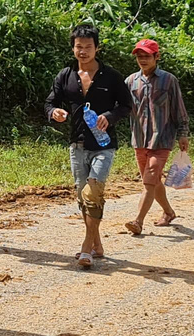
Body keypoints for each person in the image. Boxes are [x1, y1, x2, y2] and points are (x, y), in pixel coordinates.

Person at [45, 24, 134, 268]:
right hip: (77, 143)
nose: (83, 51)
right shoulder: (65, 75)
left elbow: (127, 105)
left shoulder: (111, 76)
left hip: (104, 145)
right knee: (82, 196)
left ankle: (86, 247)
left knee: (93, 192)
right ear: (73, 47)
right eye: (78, 47)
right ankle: (97, 243)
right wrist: (55, 113)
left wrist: (110, 116)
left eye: (88, 47)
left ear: (97, 48)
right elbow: (50, 102)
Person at [123, 37, 191, 236]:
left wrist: (183, 133)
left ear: (156, 57)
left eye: (147, 56)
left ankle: (138, 221)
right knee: (153, 180)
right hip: (139, 138)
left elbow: (179, 108)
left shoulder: (169, 80)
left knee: (150, 178)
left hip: (162, 138)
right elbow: (121, 107)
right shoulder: (130, 81)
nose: (142, 60)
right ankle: (169, 212)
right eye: (139, 56)